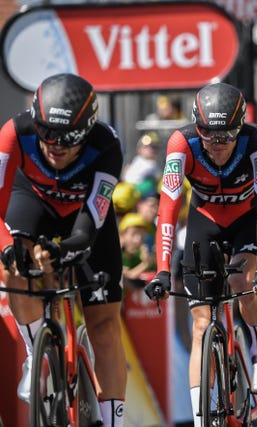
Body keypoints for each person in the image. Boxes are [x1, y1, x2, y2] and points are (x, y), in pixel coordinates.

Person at [143, 82, 257, 426]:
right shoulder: (181, 142)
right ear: (196, 127)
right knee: (202, 324)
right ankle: (203, 418)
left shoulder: (256, 140)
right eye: (209, 136)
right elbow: (168, 208)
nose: (217, 146)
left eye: (226, 137)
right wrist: (162, 269)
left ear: (240, 129)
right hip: (205, 220)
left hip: (247, 219)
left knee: (241, 281)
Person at [0, 73, 127, 426]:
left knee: (104, 325)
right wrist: (9, 247)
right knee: (12, 265)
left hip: (83, 219)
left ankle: (112, 420)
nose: (55, 146)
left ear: (87, 130)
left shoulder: (107, 145)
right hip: (32, 203)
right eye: (47, 134)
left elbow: (89, 228)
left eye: (68, 139)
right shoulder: (14, 132)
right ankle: (34, 354)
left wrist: (64, 251)